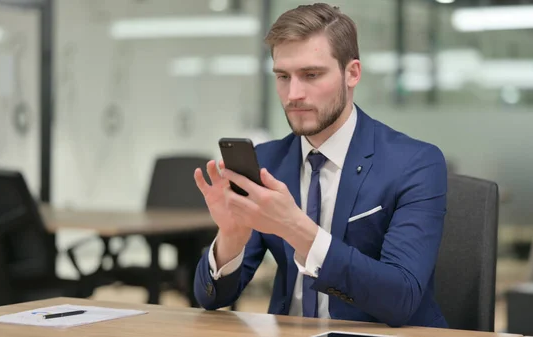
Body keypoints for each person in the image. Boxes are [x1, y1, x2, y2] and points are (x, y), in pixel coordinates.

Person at [192, 3, 448, 328]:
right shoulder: (268, 161)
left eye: (311, 75)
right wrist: (231, 236)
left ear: (352, 73)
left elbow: (402, 298)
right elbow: (212, 297)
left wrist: (296, 228)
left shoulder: (415, 163)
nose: (293, 94)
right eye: (283, 76)